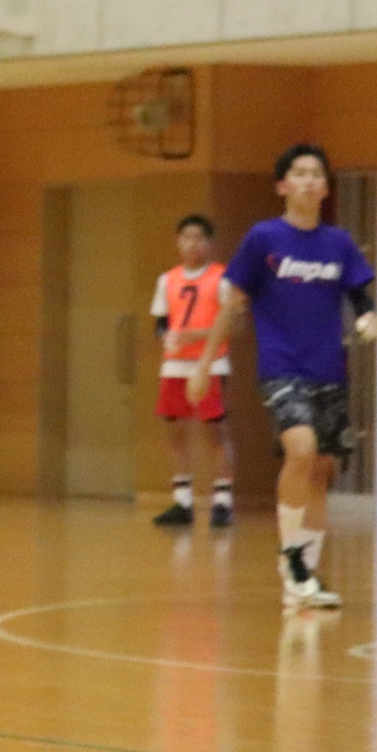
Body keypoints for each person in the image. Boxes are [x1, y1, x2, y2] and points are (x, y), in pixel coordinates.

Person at [188, 144, 377, 610]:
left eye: (317, 174)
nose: (310, 180)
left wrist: (369, 318)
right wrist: (204, 364)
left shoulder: (338, 243)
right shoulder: (264, 239)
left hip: (329, 369)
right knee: (301, 449)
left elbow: (361, 297)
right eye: (300, 173)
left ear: (326, 187)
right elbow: (231, 305)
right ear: (283, 185)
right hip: (282, 367)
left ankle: (303, 577)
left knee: (321, 470)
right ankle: (291, 558)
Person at [150, 214, 235, 528]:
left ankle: (222, 501)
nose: (192, 243)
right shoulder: (168, 279)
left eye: (199, 237)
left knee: (216, 430)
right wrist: (167, 337)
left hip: (210, 363)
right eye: (186, 237)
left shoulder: (222, 278)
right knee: (174, 430)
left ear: (209, 242)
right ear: (178, 242)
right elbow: (161, 323)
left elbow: (231, 325)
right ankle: (182, 500)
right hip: (175, 364)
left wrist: (196, 336)